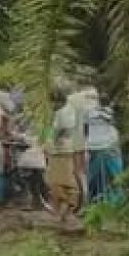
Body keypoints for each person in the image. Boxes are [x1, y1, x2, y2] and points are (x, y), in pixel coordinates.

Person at [48, 87, 82, 221]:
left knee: (56, 182)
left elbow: (54, 132)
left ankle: (62, 210)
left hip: (59, 151)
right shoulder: (72, 111)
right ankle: (67, 209)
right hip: (69, 148)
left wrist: (47, 139)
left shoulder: (59, 113)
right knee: (68, 180)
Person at [83, 91, 122, 204]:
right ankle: (114, 202)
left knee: (94, 176)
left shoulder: (88, 113)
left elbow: (84, 130)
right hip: (109, 146)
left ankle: (94, 201)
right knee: (115, 175)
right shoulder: (111, 112)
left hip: (94, 146)